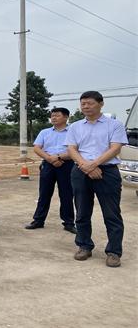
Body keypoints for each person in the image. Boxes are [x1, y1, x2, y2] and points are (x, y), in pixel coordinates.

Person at [65, 91, 128, 268]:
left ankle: (114, 251)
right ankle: (84, 246)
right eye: (82, 103)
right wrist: (85, 166)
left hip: (107, 172)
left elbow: (115, 148)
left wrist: (93, 165)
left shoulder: (114, 125)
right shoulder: (76, 126)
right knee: (82, 211)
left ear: (101, 104)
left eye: (89, 103)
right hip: (80, 170)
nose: (85, 106)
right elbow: (71, 149)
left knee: (112, 213)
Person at [26, 107, 76, 233]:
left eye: (57, 115)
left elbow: (76, 149)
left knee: (66, 194)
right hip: (48, 164)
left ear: (66, 117)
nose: (53, 117)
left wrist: (59, 158)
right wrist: (50, 159)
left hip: (67, 164)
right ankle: (38, 220)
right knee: (44, 193)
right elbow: (37, 148)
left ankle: (69, 223)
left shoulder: (73, 132)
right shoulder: (45, 132)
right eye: (52, 115)